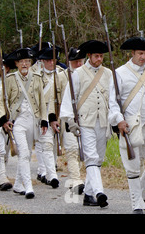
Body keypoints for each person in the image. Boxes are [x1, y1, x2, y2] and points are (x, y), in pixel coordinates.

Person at [108, 37, 145, 214]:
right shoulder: (119, 73)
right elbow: (112, 102)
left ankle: (140, 190)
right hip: (130, 126)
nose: (143, 57)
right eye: (140, 53)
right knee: (132, 167)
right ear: (132, 53)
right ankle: (136, 204)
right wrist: (118, 119)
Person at [60, 40, 112, 208]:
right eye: (96, 56)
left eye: (101, 56)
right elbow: (69, 97)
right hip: (85, 121)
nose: (99, 59)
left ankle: (88, 195)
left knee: (99, 158)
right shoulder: (78, 73)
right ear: (89, 56)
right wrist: (70, 120)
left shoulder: (108, 74)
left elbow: (113, 99)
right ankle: (99, 192)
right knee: (91, 156)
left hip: (103, 121)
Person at [0, 48, 53, 199]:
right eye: (21, 61)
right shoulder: (9, 79)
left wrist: (43, 119)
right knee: (23, 153)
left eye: (27, 61)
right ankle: (28, 187)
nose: (24, 64)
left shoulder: (36, 77)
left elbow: (42, 101)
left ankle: (17, 185)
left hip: (33, 121)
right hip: (17, 122)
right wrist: (3, 118)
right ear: (16, 63)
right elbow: (2, 100)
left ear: (30, 63)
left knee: (27, 154)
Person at [56, 47, 86, 194]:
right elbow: (53, 99)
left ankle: (78, 176)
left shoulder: (87, 75)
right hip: (68, 117)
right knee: (72, 150)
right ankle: (75, 179)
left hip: (85, 118)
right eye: (75, 62)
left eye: (80, 61)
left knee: (83, 150)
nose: (79, 65)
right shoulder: (62, 77)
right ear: (69, 62)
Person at [35, 45, 62, 188]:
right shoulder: (36, 75)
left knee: (54, 145)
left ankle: (44, 171)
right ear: (43, 61)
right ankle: (51, 175)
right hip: (42, 113)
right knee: (45, 144)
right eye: (48, 60)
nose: (51, 63)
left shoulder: (62, 74)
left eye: (54, 60)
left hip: (59, 113)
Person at [0, 51, 12, 191]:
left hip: (6, 121)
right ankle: (1, 178)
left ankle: (2, 174)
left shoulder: (10, 82)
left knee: (5, 151)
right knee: (0, 150)